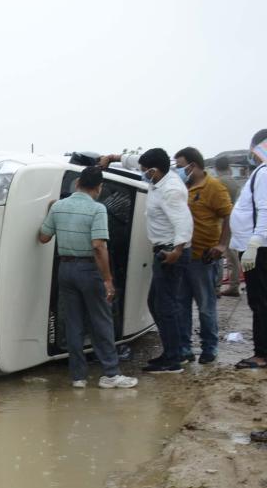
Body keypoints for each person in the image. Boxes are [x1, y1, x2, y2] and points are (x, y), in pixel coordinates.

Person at [38, 166, 138, 388]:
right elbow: (99, 246)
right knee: (101, 321)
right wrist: (108, 280)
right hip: (89, 270)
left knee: (73, 323)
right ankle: (111, 374)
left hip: (65, 270)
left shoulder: (59, 207)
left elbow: (43, 237)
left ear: (77, 184)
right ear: (99, 188)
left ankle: (78, 377)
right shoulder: (98, 209)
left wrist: (50, 211)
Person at [100, 148, 193, 373]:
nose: (142, 173)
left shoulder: (171, 190)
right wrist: (113, 158)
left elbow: (184, 223)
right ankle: (177, 351)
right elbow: (133, 162)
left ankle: (174, 358)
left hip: (171, 253)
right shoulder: (158, 177)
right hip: (163, 250)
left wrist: (176, 251)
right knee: (156, 303)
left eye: (144, 171)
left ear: (154, 171)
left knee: (165, 305)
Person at [173, 147, 232, 364]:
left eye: (180, 166)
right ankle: (184, 348)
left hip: (204, 258)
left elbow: (228, 216)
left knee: (206, 307)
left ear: (193, 166)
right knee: (181, 306)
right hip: (183, 256)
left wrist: (222, 245)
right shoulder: (181, 187)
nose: (178, 170)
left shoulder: (214, 187)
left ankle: (210, 347)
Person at [230, 129, 267, 369]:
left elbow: (264, 209)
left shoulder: (263, 173)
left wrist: (253, 244)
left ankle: (261, 354)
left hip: (258, 249)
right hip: (257, 245)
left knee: (259, 301)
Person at [215, 156, 244, 297]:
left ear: (216, 168)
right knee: (233, 255)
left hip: (220, 221)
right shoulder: (235, 183)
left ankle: (217, 287)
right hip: (234, 220)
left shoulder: (217, 182)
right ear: (229, 168)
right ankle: (234, 284)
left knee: (220, 255)